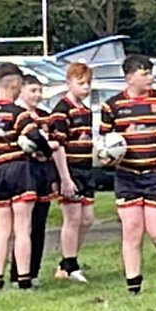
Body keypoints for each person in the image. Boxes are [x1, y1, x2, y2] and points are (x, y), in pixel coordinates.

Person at [99, 55, 156, 294]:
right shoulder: (112, 106)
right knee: (132, 230)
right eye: (145, 74)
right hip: (127, 175)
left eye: (151, 73)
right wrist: (107, 157)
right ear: (129, 77)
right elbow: (104, 144)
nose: (151, 77)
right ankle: (134, 288)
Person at [0, 63, 38, 290]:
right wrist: (40, 148)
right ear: (15, 85)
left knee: (2, 228)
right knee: (23, 227)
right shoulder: (18, 113)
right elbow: (34, 136)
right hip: (19, 169)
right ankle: (23, 278)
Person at [12, 75, 71, 286]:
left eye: (39, 91)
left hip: (44, 174)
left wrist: (61, 175)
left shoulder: (46, 117)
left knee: (39, 224)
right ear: (21, 91)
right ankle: (18, 273)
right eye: (32, 91)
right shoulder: (16, 115)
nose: (37, 95)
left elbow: (56, 144)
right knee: (22, 227)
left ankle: (34, 272)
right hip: (24, 174)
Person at [48, 63, 96, 283]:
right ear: (69, 83)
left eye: (88, 83)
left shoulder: (86, 110)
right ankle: (70, 265)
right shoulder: (61, 110)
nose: (86, 87)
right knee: (73, 218)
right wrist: (65, 178)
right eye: (81, 83)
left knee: (87, 219)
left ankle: (65, 261)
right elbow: (57, 146)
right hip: (70, 170)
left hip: (86, 168)